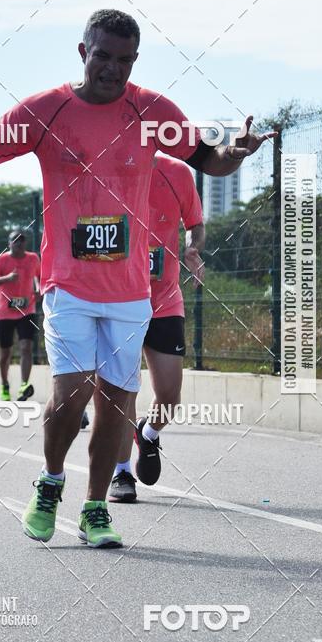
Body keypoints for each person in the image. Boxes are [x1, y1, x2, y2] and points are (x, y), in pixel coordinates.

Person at [0, 8, 273, 548]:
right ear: (83, 52)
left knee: (117, 405)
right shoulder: (45, 110)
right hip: (68, 284)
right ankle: (51, 482)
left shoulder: (151, 111)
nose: (113, 69)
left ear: (134, 61)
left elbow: (208, 159)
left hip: (131, 292)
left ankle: (95, 508)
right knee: (71, 395)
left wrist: (234, 155)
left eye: (124, 60)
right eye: (103, 56)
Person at [108, 154, 204, 502]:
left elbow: (195, 222)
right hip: (119, 300)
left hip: (165, 300)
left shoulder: (177, 172)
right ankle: (121, 472)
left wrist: (193, 248)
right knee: (123, 388)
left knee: (169, 396)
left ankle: (147, 434)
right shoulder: (109, 168)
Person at [0, 230, 41, 401]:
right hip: (5, 312)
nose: (19, 243)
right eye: (15, 240)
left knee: (26, 347)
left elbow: (40, 277)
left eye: (22, 240)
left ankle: (24, 385)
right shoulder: (1, 260)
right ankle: (5, 385)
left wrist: (39, 289)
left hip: (27, 309)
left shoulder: (33, 258)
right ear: (9, 243)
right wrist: (7, 278)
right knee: (6, 352)